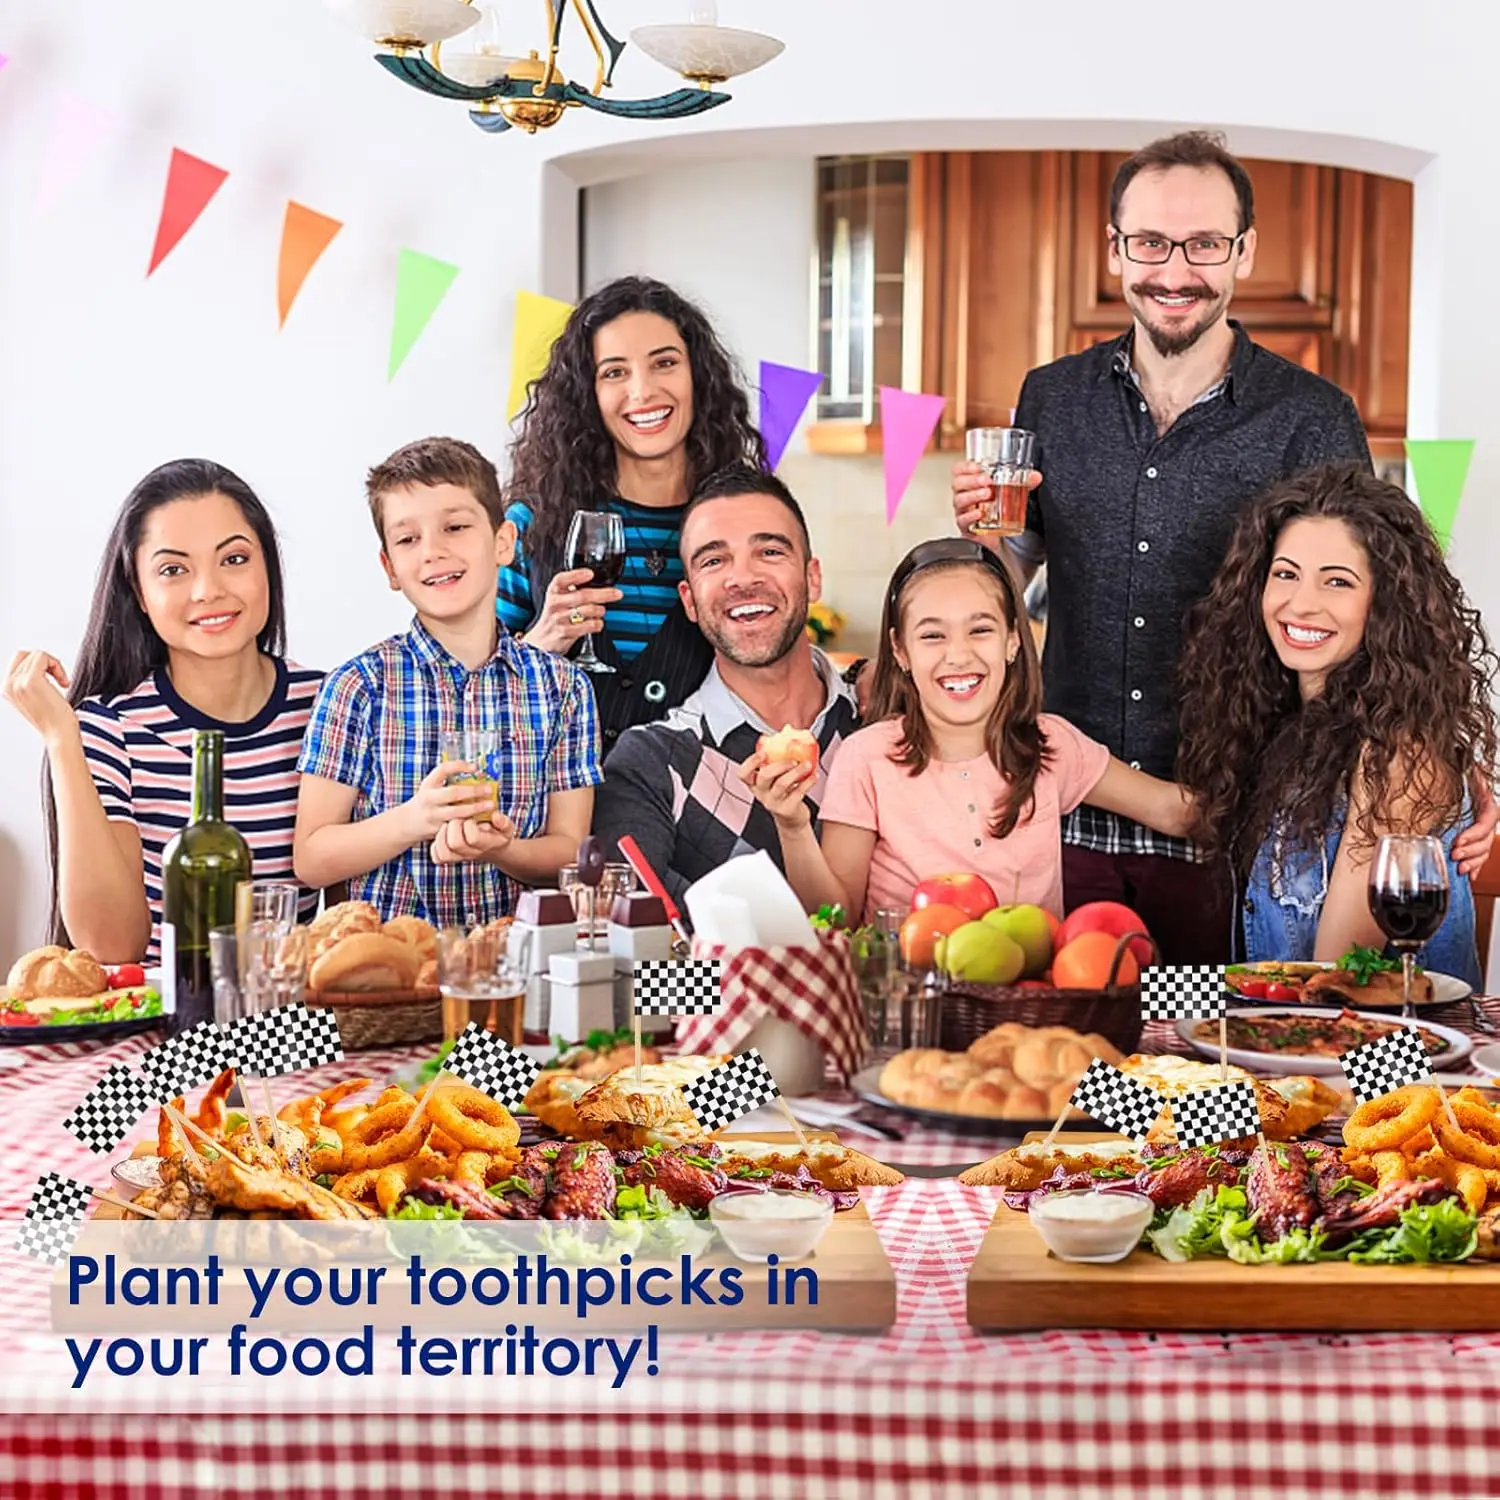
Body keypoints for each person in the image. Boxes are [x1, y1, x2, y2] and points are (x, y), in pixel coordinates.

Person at [949, 129, 1384, 962]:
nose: (1176, 272)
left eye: (1205, 244)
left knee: (1215, 1067)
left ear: (1243, 251)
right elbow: (1013, 574)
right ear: (1115, 249)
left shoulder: (1312, 415)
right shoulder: (1053, 396)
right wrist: (985, 537)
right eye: (1150, 242)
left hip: (1236, 818)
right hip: (1062, 808)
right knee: (1071, 1060)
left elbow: (1370, 613)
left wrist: (1435, 756)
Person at [743, 540, 1195, 925]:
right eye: (932, 636)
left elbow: (1174, 812)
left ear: (1014, 640)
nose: (958, 655)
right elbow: (834, 918)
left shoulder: (1050, 744)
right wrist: (793, 824)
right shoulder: (867, 757)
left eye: (980, 629)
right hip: (911, 1010)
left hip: (1029, 1012)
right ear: (900, 650)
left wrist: (1265, 784)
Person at [1176, 464, 1497, 985]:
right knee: (1104, 1041)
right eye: (1285, 574)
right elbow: (1182, 810)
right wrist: (1057, 751)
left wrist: (1192, 1003)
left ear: (1386, 604)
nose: (1301, 603)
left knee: (1127, 1046)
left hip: (1397, 1054)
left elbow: (1333, 980)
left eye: (1337, 582)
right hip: (1296, 1035)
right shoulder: (1289, 732)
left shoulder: (1399, 753)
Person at [2, 459, 321, 963]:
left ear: (268, 565)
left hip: (284, 1021)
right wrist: (63, 739)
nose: (208, 590)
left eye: (234, 559)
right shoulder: (109, 730)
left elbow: (357, 923)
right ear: (139, 592)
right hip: (153, 1023)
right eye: (173, 569)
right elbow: (110, 947)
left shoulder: (330, 705)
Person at [294, 437, 602, 926]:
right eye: (408, 539)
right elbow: (311, 859)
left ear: (503, 543)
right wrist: (416, 819)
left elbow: (568, 854)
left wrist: (502, 849)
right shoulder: (358, 686)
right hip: (388, 972)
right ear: (390, 568)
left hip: (517, 967)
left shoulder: (563, 689)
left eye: (455, 527)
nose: (433, 552)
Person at [498, 275, 787, 754]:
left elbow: (784, 658)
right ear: (587, 393)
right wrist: (539, 644)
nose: (642, 391)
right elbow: (466, 700)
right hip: (554, 814)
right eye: (614, 372)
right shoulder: (533, 524)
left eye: (665, 363)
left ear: (698, 376)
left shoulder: (739, 521)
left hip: (698, 810)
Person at [592, 465, 860, 905]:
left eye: (770, 552)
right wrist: (743, 973)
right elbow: (632, 958)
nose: (742, 578)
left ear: (812, 577)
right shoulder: (651, 764)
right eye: (714, 561)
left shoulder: (882, 720)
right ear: (689, 600)